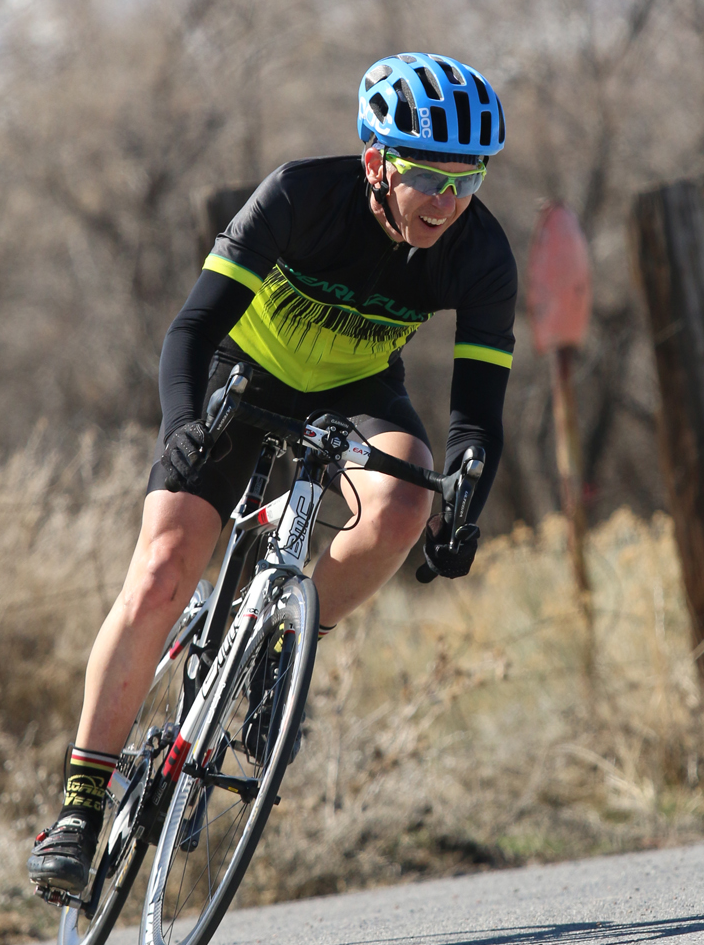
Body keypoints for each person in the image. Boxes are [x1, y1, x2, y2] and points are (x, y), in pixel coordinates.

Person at [29, 51, 517, 894]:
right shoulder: (301, 195)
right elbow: (189, 329)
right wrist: (182, 426)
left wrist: (465, 498)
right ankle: (78, 806)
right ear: (377, 162)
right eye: (429, 176)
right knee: (161, 572)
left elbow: (477, 413)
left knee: (404, 499)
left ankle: (281, 649)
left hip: (359, 390)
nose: (449, 201)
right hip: (237, 371)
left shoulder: (480, 251)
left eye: (468, 179)